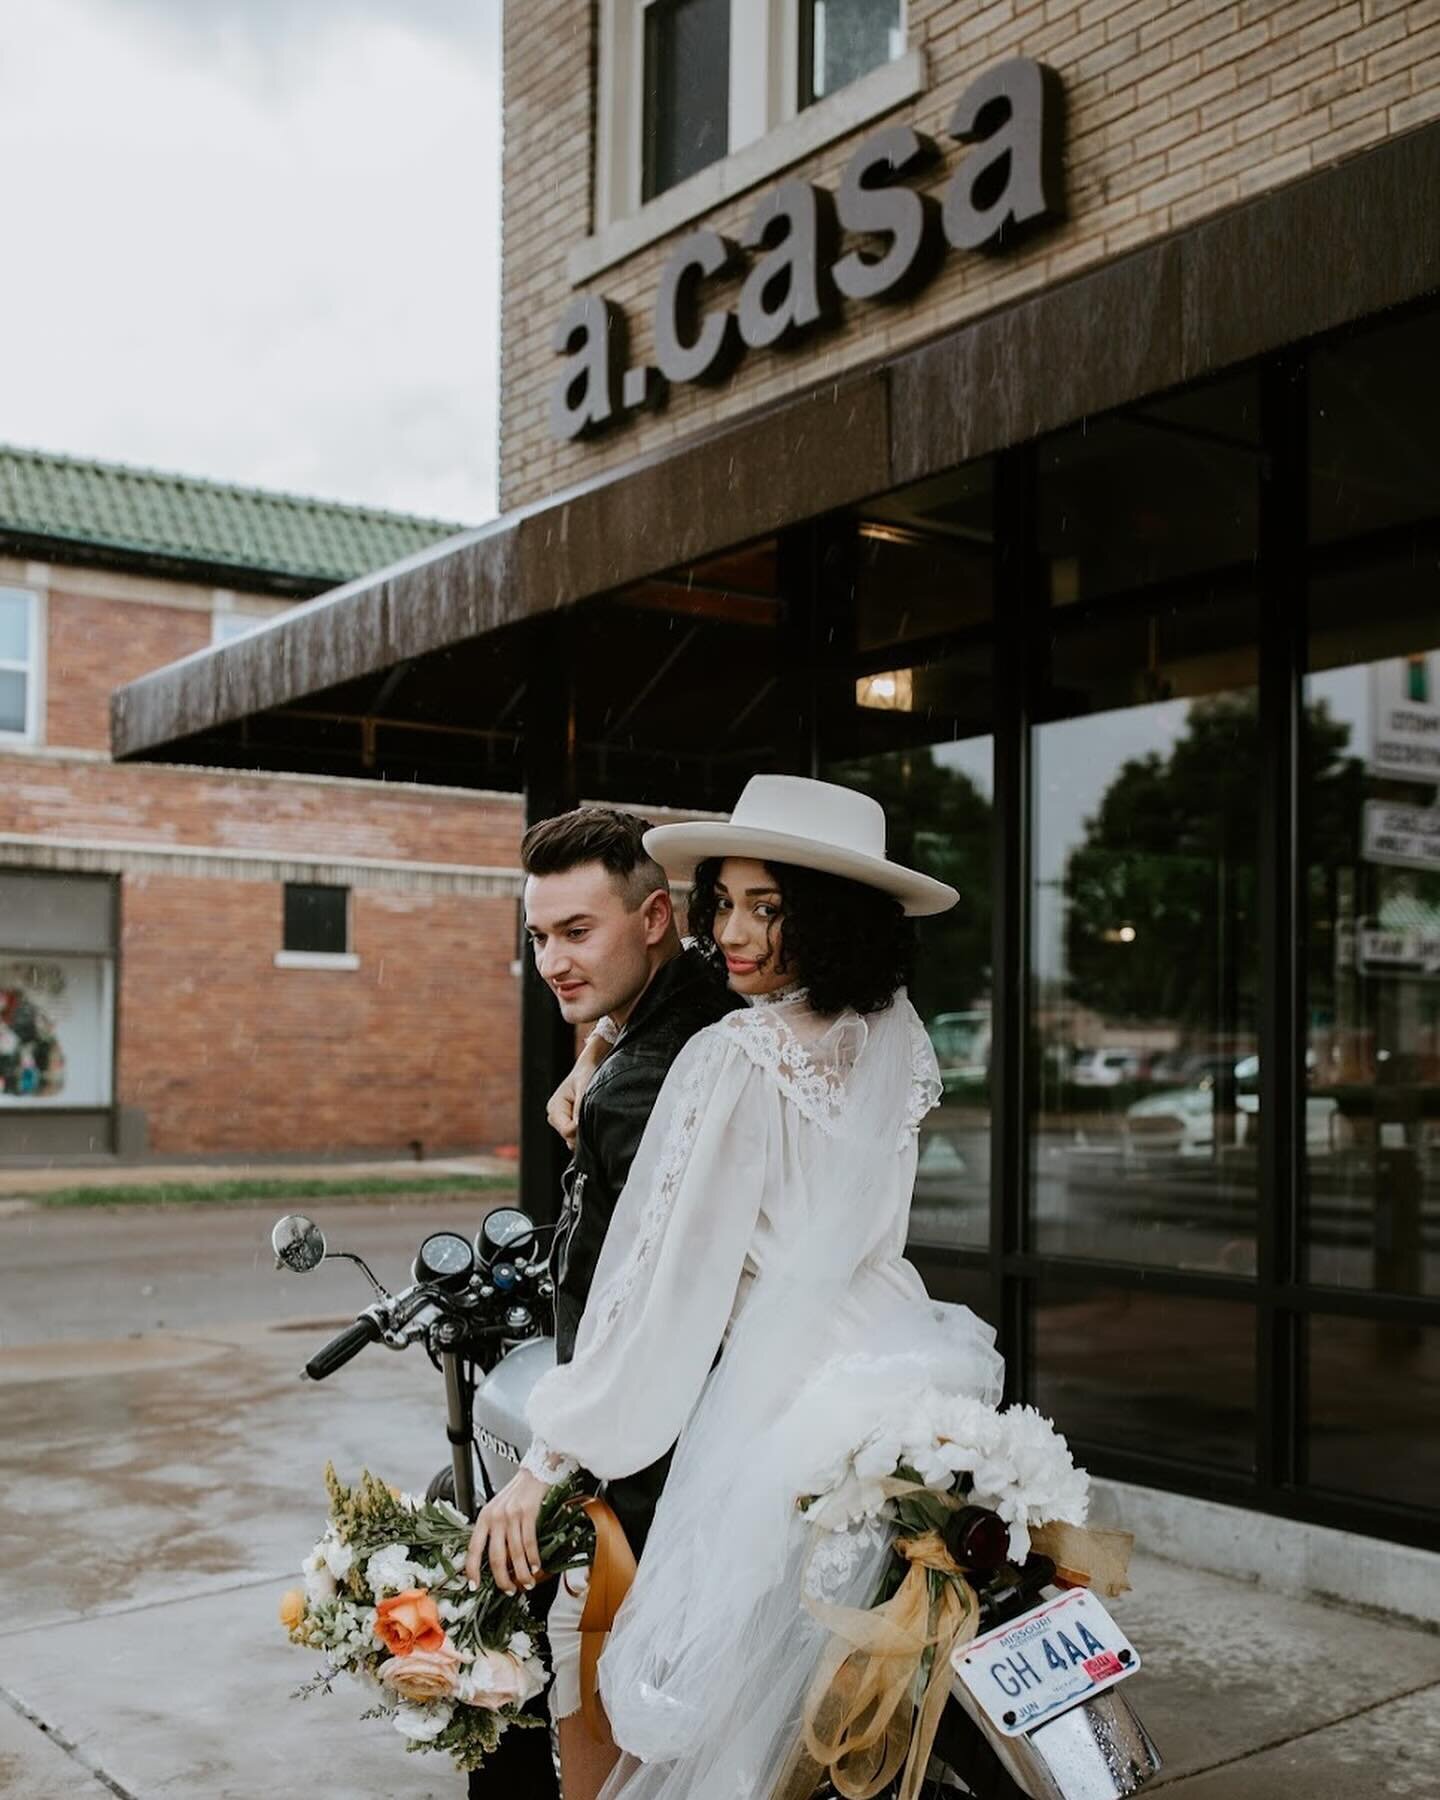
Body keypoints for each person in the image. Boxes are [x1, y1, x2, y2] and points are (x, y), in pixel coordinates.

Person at [467, 775, 1004, 1800]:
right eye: (725, 903)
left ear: (828, 916)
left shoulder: (733, 1055)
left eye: (771, 906)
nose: (736, 933)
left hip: (780, 1389)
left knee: (669, 1679)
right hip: (901, 1358)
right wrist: (599, 1047)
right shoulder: (892, 1030)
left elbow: (663, 1281)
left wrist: (550, 1456)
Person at [470, 805, 737, 1800]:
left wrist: (544, 1468)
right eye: (538, 936)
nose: (551, 961)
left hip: (663, 1439)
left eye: (578, 932)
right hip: (766, 1386)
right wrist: (592, 1047)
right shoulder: (721, 1000)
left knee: (493, 1605)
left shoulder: (642, 1092)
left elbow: (614, 1304)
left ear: (657, 916)